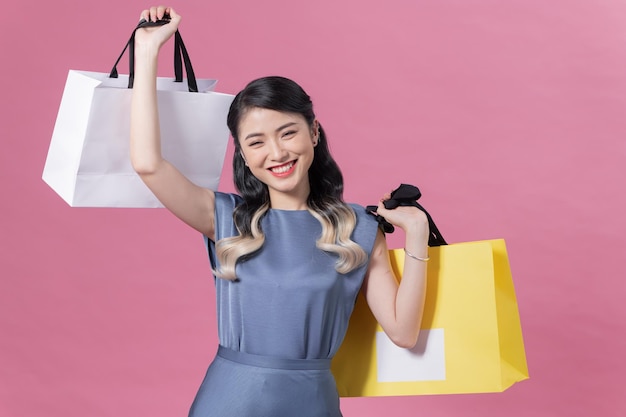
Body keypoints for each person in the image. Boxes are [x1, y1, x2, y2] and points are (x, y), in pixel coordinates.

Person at [131, 6, 429, 417]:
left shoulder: (358, 226)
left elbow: (404, 332)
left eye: (287, 132)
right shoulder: (226, 218)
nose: (276, 153)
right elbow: (148, 164)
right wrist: (146, 51)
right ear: (244, 155)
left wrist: (417, 236)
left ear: (314, 132)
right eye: (256, 142)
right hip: (230, 401)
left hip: (312, 402)